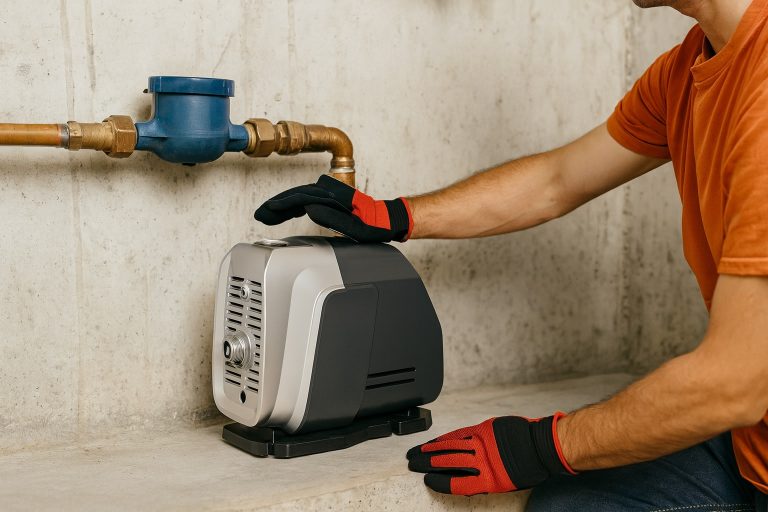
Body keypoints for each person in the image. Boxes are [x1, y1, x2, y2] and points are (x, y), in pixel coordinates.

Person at [254, 0, 768, 509]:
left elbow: (733, 381)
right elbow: (556, 181)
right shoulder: (686, 70)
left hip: (744, 420)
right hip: (748, 447)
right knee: (566, 505)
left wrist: (543, 446)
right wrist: (398, 215)